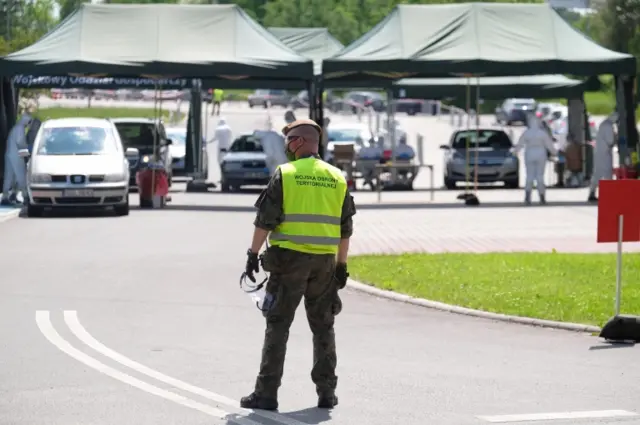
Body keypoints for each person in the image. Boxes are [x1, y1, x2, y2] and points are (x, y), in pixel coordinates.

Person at [241, 118, 356, 411]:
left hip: (289, 262)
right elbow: (345, 229)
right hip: (324, 266)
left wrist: (253, 254)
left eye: (289, 140)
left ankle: (266, 394)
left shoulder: (286, 174)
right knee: (323, 327)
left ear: (300, 142)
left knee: (278, 325)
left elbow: (264, 220)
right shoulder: (337, 177)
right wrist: (341, 265)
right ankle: (327, 393)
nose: (287, 146)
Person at [511, 113, 557, 205]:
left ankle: (528, 197)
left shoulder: (527, 133)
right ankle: (542, 197)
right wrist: (554, 153)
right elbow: (549, 145)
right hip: (541, 154)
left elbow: (520, 144)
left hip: (529, 154)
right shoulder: (542, 133)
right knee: (540, 176)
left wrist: (515, 152)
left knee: (529, 176)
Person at [2, 113, 32, 206]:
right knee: (21, 176)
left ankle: (7, 196)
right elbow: (20, 143)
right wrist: (27, 155)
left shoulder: (15, 128)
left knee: (9, 177)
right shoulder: (20, 129)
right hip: (16, 156)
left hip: (9, 155)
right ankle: (25, 196)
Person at [588, 112, 618, 202]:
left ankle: (592, 193)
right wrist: (616, 136)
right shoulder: (608, 126)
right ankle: (609, 195)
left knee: (597, 173)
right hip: (605, 154)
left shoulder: (604, 124)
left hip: (599, 153)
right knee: (607, 174)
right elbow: (610, 141)